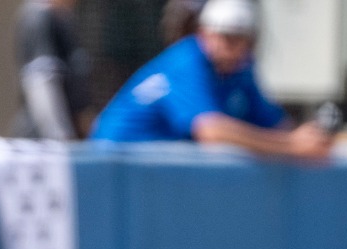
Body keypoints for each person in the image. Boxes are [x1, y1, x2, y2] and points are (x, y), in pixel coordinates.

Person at [91, 0, 333, 158]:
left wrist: (307, 138)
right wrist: (291, 147)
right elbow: (211, 131)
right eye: (225, 37)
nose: (232, 47)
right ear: (205, 33)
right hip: (112, 164)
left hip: (157, 169)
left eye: (240, 38)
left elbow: (275, 124)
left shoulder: (241, 69)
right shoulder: (186, 59)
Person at [12, 0, 93, 139]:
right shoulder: (38, 16)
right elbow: (40, 82)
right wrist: (59, 136)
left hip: (69, 130)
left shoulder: (65, 18)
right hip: (42, 139)